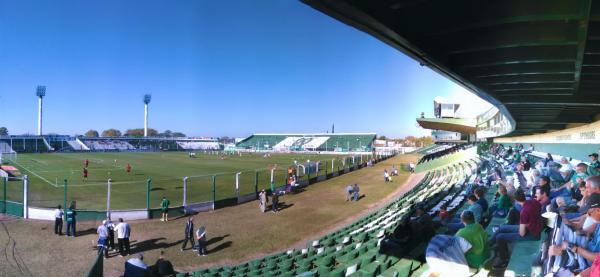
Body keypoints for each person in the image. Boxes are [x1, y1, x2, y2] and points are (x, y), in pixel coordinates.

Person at [489, 189, 543, 268]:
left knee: (500, 237)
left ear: (516, 200)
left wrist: (526, 225)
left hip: (533, 234)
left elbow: (522, 233)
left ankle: (504, 260)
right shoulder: (534, 201)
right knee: (501, 228)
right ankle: (490, 243)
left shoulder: (524, 211)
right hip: (533, 227)